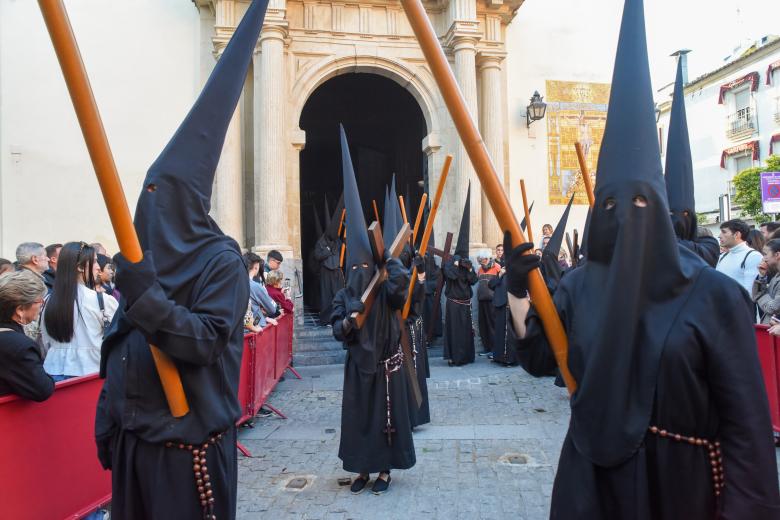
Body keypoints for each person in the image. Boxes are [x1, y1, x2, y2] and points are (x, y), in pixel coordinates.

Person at [504, 1, 780, 516]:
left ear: (657, 208)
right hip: (591, 484)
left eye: (639, 203)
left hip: (679, 489)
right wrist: (520, 290)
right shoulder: (579, 287)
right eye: (611, 204)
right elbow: (541, 359)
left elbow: (748, 431)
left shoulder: (714, 297)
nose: (625, 216)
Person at [94, 3, 264, 518]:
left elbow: (206, 340)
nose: (148, 210)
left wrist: (146, 299)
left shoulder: (221, 262)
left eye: (157, 196)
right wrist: (108, 419)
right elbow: (122, 342)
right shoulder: (149, 265)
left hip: (185, 456)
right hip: (135, 448)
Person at [330, 125, 414, 496]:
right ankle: (361, 470)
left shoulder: (384, 287)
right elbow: (336, 323)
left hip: (386, 364)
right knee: (360, 421)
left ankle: (384, 472)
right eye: (356, 268)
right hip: (357, 368)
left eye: (366, 267)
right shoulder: (347, 288)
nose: (360, 273)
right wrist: (346, 324)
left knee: (385, 421)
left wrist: (389, 263)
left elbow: (400, 292)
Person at [662, 57, 720, 268]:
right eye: (670, 215)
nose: (678, 219)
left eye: (685, 215)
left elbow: (700, 257)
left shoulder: (708, 242)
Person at [41, 242, 118, 379]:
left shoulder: (49, 300)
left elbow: (45, 339)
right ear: (80, 267)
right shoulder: (101, 300)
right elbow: (118, 337)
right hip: (90, 371)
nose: (98, 267)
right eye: (94, 261)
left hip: (53, 369)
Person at [0, 270, 54, 401]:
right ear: (20, 309)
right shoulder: (19, 346)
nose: (42, 305)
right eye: (39, 301)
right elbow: (42, 389)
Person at [442, 184, 478, 367]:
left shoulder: (468, 265)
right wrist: (456, 265)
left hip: (465, 303)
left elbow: (474, 281)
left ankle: (467, 357)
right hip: (454, 304)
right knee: (455, 332)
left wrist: (470, 269)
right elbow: (450, 275)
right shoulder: (450, 263)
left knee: (465, 333)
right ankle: (454, 357)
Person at [313, 196, 344, 325]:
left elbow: (343, 251)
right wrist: (327, 251)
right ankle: (326, 319)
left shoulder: (338, 241)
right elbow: (317, 256)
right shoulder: (321, 242)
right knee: (326, 297)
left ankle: (339, 318)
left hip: (337, 271)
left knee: (338, 295)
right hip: (326, 272)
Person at [716, 219, 762, 294]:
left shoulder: (753, 256)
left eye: (724, 232)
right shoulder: (723, 256)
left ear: (737, 234)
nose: (719, 236)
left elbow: (750, 291)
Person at [244, 252, 279, 328]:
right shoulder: (255, 286)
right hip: (256, 327)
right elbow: (272, 309)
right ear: (256, 266)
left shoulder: (236, 284)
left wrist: (264, 318)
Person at [476, 249, 500, 357]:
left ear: (487, 258)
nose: (480, 261)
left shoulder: (497, 267)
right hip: (482, 300)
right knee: (483, 325)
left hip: (492, 301)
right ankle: (487, 348)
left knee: (492, 325)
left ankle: (495, 349)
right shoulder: (480, 269)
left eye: (482, 259)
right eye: (480, 259)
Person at [753, 239, 780, 324]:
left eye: (765, 254)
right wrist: (762, 276)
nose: (763, 258)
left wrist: (759, 295)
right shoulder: (776, 275)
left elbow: (773, 308)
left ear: (777, 255)